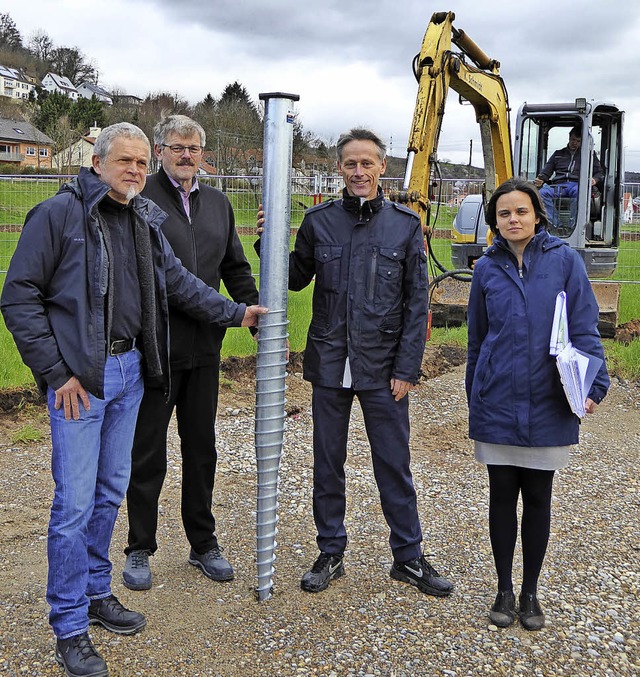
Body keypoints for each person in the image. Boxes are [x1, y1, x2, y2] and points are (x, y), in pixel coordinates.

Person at [0, 122, 266, 677]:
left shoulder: (144, 220)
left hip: (130, 375)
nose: (136, 172)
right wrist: (55, 372)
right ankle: (69, 626)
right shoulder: (58, 216)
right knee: (73, 504)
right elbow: (19, 296)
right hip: (79, 381)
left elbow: (180, 283)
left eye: (143, 163)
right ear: (96, 161)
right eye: (126, 161)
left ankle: (97, 594)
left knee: (108, 492)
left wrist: (236, 313)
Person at [257, 128, 453, 597]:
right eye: (351, 164)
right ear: (340, 169)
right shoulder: (319, 221)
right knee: (328, 463)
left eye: (368, 163)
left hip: (384, 370)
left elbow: (415, 305)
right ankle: (330, 552)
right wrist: (269, 244)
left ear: (382, 167)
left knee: (393, 462)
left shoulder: (405, 226)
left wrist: (407, 368)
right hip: (329, 363)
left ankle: (408, 556)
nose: (359, 172)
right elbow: (295, 278)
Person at [466, 177, 609, 631]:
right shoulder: (486, 269)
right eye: (504, 213)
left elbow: (585, 327)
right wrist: (476, 394)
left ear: (537, 215)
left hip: (550, 397)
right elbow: (477, 338)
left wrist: (593, 384)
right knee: (501, 495)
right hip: (499, 401)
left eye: (521, 211)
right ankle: (504, 588)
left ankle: (531, 592)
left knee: (539, 498)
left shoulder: (566, 262)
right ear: (495, 221)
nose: (513, 219)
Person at [123, 115, 259, 590]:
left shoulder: (218, 204)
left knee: (202, 451)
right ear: (160, 150)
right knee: (147, 455)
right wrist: (231, 312)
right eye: (176, 147)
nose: (185, 156)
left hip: (205, 351)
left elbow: (235, 267)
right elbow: (163, 279)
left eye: (193, 149)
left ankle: (203, 544)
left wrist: (254, 316)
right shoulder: (141, 202)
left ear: (204, 154)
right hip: (155, 352)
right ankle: (140, 547)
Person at [533, 125, 604, 226]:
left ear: (582, 142)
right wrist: (540, 179)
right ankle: (556, 225)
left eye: (578, 141)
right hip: (558, 185)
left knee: (580, 193)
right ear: (569, 138)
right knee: (541, 193)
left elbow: (599, 173)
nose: (574, 143)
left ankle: (573, 226)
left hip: (577, 184)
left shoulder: (588, 155)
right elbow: (546, 171)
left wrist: (594, 179)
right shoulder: (558, 154)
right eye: (573, 139)